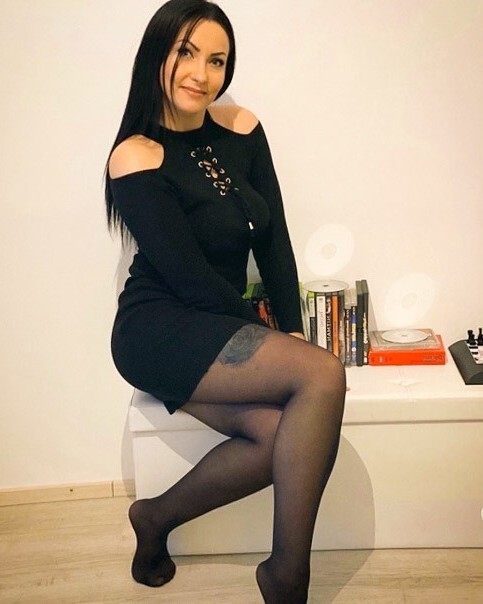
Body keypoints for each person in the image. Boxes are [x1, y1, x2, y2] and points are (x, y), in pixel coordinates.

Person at [105, 1, 346, 602]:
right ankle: (287, 577)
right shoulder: (136, 154)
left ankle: (153, 518)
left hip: (216, 320)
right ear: (157, 55)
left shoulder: (242, 128)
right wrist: (270, 338)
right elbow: (188, 277)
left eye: (216, 60)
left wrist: (291, 328)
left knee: (279, 436)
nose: (201, 73)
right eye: (185, 52)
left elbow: (274, 238)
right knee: (323, 375)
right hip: (157, 328)